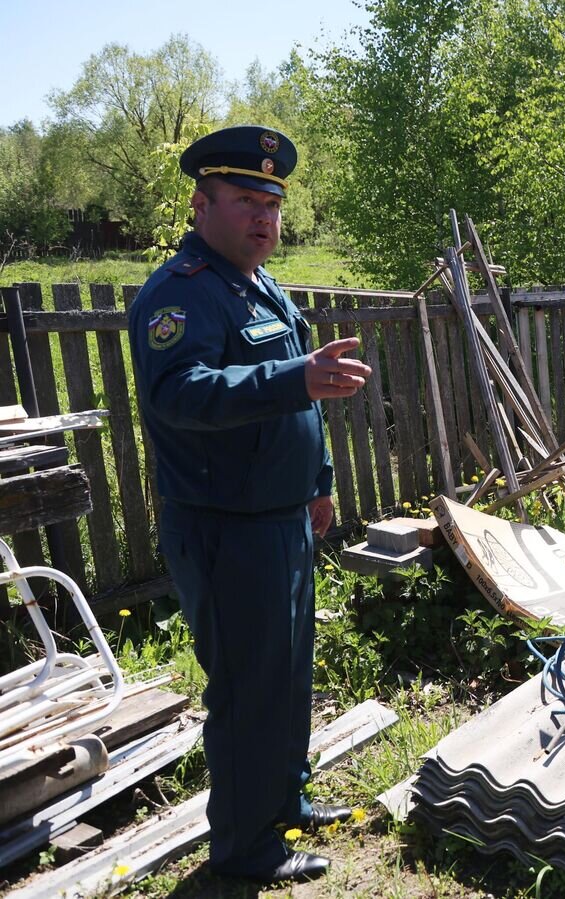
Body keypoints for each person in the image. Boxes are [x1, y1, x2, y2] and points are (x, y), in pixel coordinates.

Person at [129, 125, 372, 884]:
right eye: (245, 200)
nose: (263, 217)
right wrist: (290, 379)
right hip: (224, 530)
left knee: (288, 673)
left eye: (272, 202)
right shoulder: (180, 294)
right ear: (202, 205)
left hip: (284, 519)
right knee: (245, 689)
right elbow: (180, 394)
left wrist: (321, 477)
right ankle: (243, 847)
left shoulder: (263, 287)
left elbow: (307, 404)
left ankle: (285, 800)